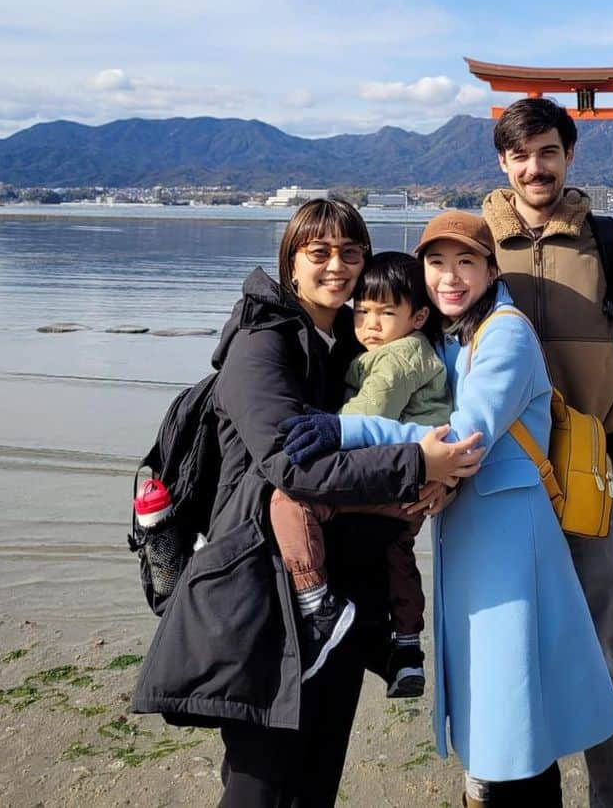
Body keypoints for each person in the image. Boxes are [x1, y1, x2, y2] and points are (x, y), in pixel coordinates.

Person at [132, 198, 483, 808]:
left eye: (352, 252)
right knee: (258, 787)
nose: (337, 266)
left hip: (339, 598)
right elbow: (294, 465)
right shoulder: (260, 347)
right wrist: (418, 463)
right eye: (318, 252)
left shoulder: (354, 345)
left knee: (318, 783)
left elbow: (402, 420)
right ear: (291, 263)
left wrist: (440, 478)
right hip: (260, 594)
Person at [282, 211, 613, 808]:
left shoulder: (507, 333)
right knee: (500, 708)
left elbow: (464, 437)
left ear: (492, 269)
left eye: (466, 262)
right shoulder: (455, 337)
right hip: (476, 531)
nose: (450, 276)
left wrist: (345, 429)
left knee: (513, 711)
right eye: (436, 263)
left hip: (510, 540)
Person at [481, 97, 613, 808]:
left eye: (547, 151)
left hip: (586, 481)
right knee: (502, 649)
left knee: (598, 656)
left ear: (569, 157)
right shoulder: (475, 242)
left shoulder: (609, 243)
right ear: (503, 162)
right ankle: (503, 790)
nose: (534, 166)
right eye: (521, 154)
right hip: (494, 483)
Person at [268, 250, 451, 696]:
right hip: (413, 486)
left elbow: (368, 414)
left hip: (394, 474)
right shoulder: (412, 350)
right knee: (398, 554)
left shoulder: (397, 360)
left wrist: (326, 421)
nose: (370, 324)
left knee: (288, 502)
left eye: (386, 313)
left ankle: (317, 603)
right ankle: (408, 649)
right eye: (362, 311)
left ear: (419, 316)